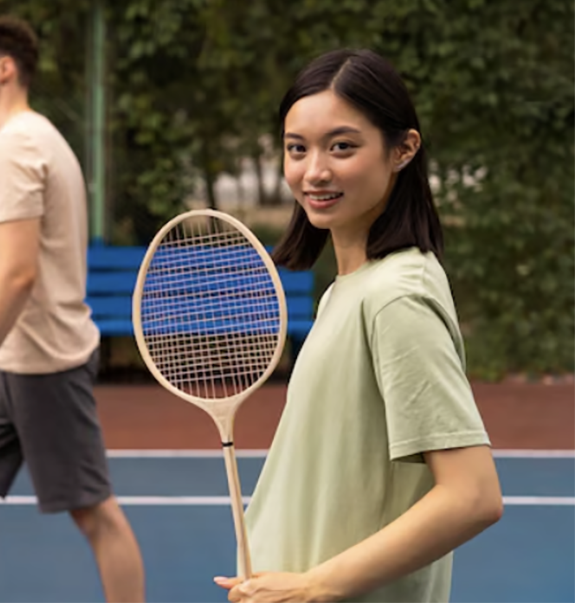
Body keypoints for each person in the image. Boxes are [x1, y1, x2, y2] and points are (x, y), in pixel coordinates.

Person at [214, 49, 503, 603]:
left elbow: (473, 495)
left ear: (403, 150)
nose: (314, 170)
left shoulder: (396, 296)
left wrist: (315, 586)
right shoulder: (352, 289)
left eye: (342, 146)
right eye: (297, 148)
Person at [0, 15, 145, 603]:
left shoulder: (15, 149)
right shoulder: (35, 138)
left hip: (44, 365)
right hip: (12, 358)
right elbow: (32, 271)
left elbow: (19, 275)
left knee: (94, 513)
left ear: (5, 69)